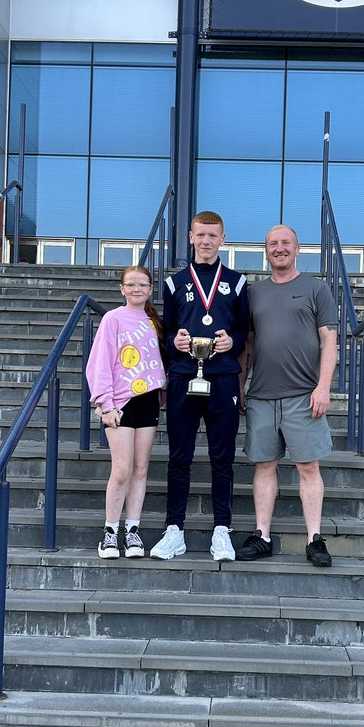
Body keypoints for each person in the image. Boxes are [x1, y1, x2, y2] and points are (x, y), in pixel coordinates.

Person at [150, 210, 249, 561]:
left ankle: (222, 529)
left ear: (222, 239)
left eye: (213, 236)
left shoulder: (237, 282)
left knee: (223, 459)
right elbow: (169, 331)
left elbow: (243, 332)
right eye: (200, 235)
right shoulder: (175, 283)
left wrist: (230, 344)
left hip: (222, 378)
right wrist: (173, 343)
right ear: (190, 237)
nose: (206, 241)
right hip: (182, 377)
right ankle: (174, 529)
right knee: (179, 457)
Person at [238, 224, 338, 567]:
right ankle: (262, 535)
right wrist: (240, 384)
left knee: (308, 466)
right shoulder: (253, 293)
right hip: (262, 395)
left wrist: (323, 386)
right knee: (264, 465)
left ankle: (314, 539)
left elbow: (329, 341)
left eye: (285, 243)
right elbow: (248, 344)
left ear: (298, 249)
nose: (279, 248)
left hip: (303, 394)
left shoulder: (316, 288)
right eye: (272, 244)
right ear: (266, 251)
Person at [85, 266, 166, 559]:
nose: (136, 289)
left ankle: (132, 531)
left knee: (141, 468)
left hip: (147, 400)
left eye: (142, 284)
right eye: (130, 284)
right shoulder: (112, 319)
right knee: (121, 470)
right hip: (119, 402)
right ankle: (110, 532)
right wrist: (105, 404)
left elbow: (159, 360)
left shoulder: (155, 321)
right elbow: (100, 362)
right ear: (121, 289)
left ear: (150, 289)